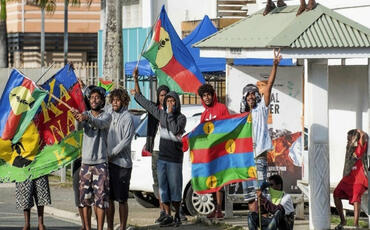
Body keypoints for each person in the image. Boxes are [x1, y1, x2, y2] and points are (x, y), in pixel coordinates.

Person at [131, 68, 186, 227]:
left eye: (172, 101)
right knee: (163, 188)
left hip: (175, 159)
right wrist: (136, 82)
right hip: (161, 157)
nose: (169, 103)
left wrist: (168, 113)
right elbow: (145, 103)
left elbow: (176, 129)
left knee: (175, 189)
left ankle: (177, 215)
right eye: (167, 100)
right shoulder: (159, 113)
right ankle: (166, 214)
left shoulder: (181, 118)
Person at [240, 49, 281, 189]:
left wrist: (275, 65)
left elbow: (269, 86)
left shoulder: (261, 108)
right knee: (250, 194)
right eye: (248, 95)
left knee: (260, 192)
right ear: (245, 98)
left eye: (253, 94)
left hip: (259, 155)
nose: (251, 96)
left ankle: (263, 211)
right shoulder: (242, 115)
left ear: (257, 96)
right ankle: (252, 212)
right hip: (246, 157)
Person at [72, 86, 112, 230]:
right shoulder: (85, 113)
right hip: (85, 164)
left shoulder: (106, 115)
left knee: (100, 200)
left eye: (97, 98)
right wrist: (77, 117)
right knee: (85, 200)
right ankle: (87, 228)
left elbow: (100, 124)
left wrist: (87, 117)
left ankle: (100, 228)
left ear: (102, 100)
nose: (94, 100)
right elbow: (78, 127)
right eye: (91, 98)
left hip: (101, 163)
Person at [197, 83, 230, 219]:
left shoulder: (221, 108)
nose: (207, 98)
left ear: (213, 95)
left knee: (219, 182)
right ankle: (213, 209)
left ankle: (219, 209)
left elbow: (228, 125)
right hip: (209, 153)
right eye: (204, 96)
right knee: (211, 181)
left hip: (221, 151)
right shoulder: (203, 114)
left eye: (208, 95)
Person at [106, 88, 135, 230]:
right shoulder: (108, 113)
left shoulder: (127, 117)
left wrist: (111, 154)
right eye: (113, 100)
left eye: (118, 100)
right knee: (109, 198)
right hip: (108, 163)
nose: (115, 102)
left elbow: (126, 141)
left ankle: (123, 226)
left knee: (122, 199)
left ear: (123, 101)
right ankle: (110, 226)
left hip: (122, 164)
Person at [334, 129, 368, 230]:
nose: (348, 141)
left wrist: (358, 131)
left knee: (356, 197)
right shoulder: (349, 148)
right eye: (347, 139)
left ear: (355, 138)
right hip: (347, 178)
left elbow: (363, 135)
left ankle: (355, 225)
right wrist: (351, 140)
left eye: (350, 139)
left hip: (359, 179)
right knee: (336, 193)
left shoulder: (360, 147)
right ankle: (343, 221)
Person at [146, 84, 170, 223]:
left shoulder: (173, 111)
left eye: (165, 95)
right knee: (158, 183)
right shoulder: (153, 110)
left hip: (168, 151)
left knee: (169, 182)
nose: (163, 98)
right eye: (161, 95)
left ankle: (172, 211)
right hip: (156, 151)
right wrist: (136, 80)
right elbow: (140, 99)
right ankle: (162, 211)